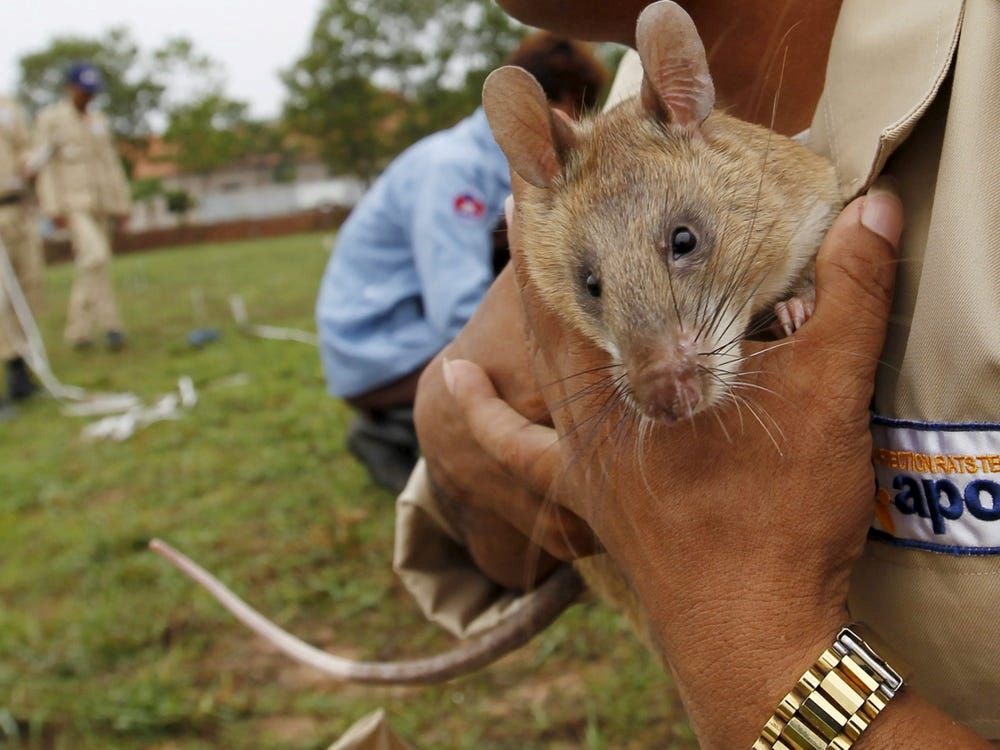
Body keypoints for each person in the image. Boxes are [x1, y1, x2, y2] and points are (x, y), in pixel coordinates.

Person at [396, 0, 1000, 747]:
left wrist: (766, 656)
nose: (662, 378)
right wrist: (453, 414)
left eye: (684, 243)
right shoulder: (616, 117)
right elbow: (502, 532)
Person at [315, 33, 607, 493]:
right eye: (584, 115)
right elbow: (456, 309)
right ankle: (395, 433)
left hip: (413, 335)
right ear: (558, 107)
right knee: (544, 378)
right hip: (380, 349)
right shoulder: (452, 169)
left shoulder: (497, 167)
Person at [36, 62, 131, 351]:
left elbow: (111, 165)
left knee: (90, 264)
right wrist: (53, 208)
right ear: (69, 88)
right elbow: (45, 166)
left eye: (91, 92)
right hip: (73, 205)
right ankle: (112, 326)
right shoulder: (51, 120)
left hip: (101, 204)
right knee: (97, 256)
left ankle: (78, 332)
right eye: (82, 91)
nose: (87, 98)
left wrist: (122, 203)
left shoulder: (98, 121)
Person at [0, 93, 44, 410]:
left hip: (18, 207)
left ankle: (19, 367)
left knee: (28, 285)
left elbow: (24, 145)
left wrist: (30, 160)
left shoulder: (8, 107)